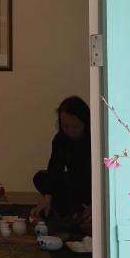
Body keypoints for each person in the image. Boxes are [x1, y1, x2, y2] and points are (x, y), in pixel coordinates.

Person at [29, 96, 92, 236]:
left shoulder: (95, 138)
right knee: (41, 177)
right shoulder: (60, 139)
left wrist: (97, 202)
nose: (70, 131)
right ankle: (71, 215)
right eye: (65, 126)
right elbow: (55, 168)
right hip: (73, 184)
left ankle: (80, 216)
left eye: (75, 126)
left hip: (91, 186)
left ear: (85, 123)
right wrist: (47, 198)